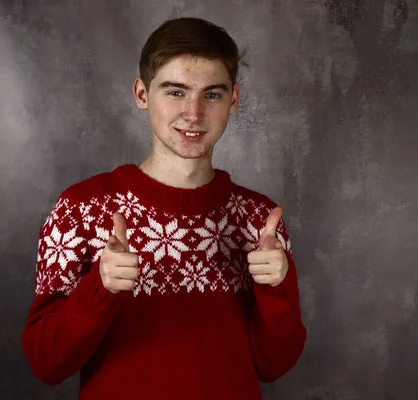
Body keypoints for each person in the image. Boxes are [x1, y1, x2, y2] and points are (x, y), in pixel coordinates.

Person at [22, 16, 307, 399]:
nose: (193, 114)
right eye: (175, 92)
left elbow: (273, 366)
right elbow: (46, 364)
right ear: (142, 95)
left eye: (212, 94)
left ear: (234, 100)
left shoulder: (260, 221)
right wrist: (100, 289)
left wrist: (276, 290)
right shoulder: (81, 209)